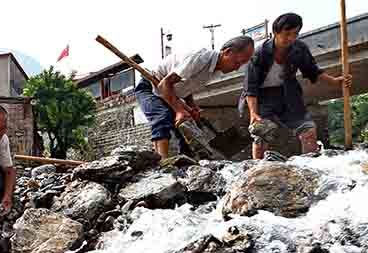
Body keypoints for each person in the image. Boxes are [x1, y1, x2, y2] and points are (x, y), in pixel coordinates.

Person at [241, 12, 352, 159]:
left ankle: (310, 168)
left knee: (309, 131)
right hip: (262, 98)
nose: (291, 38)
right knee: (261, 134)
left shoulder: (299, 49)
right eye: (287, 34)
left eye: (295, 34)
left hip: (288, 95)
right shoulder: (259, 53)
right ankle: (258, 170)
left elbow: (312, 70)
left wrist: (335, 81)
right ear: (275, 32)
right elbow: (251, 86)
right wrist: (254, 113)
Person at [135, 36, 255, 159]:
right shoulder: (201, 59)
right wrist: (179, 110)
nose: (237, 68)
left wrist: (191, 105)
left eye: (241, 64)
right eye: (237, 62)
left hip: (168, 92)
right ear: (227, 52)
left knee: (186, 126)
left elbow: (186, 87)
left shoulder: (213, 70)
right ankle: (161, 161)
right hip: (150, 87)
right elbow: (164, 84)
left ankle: (188, 162)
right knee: (162, 117)